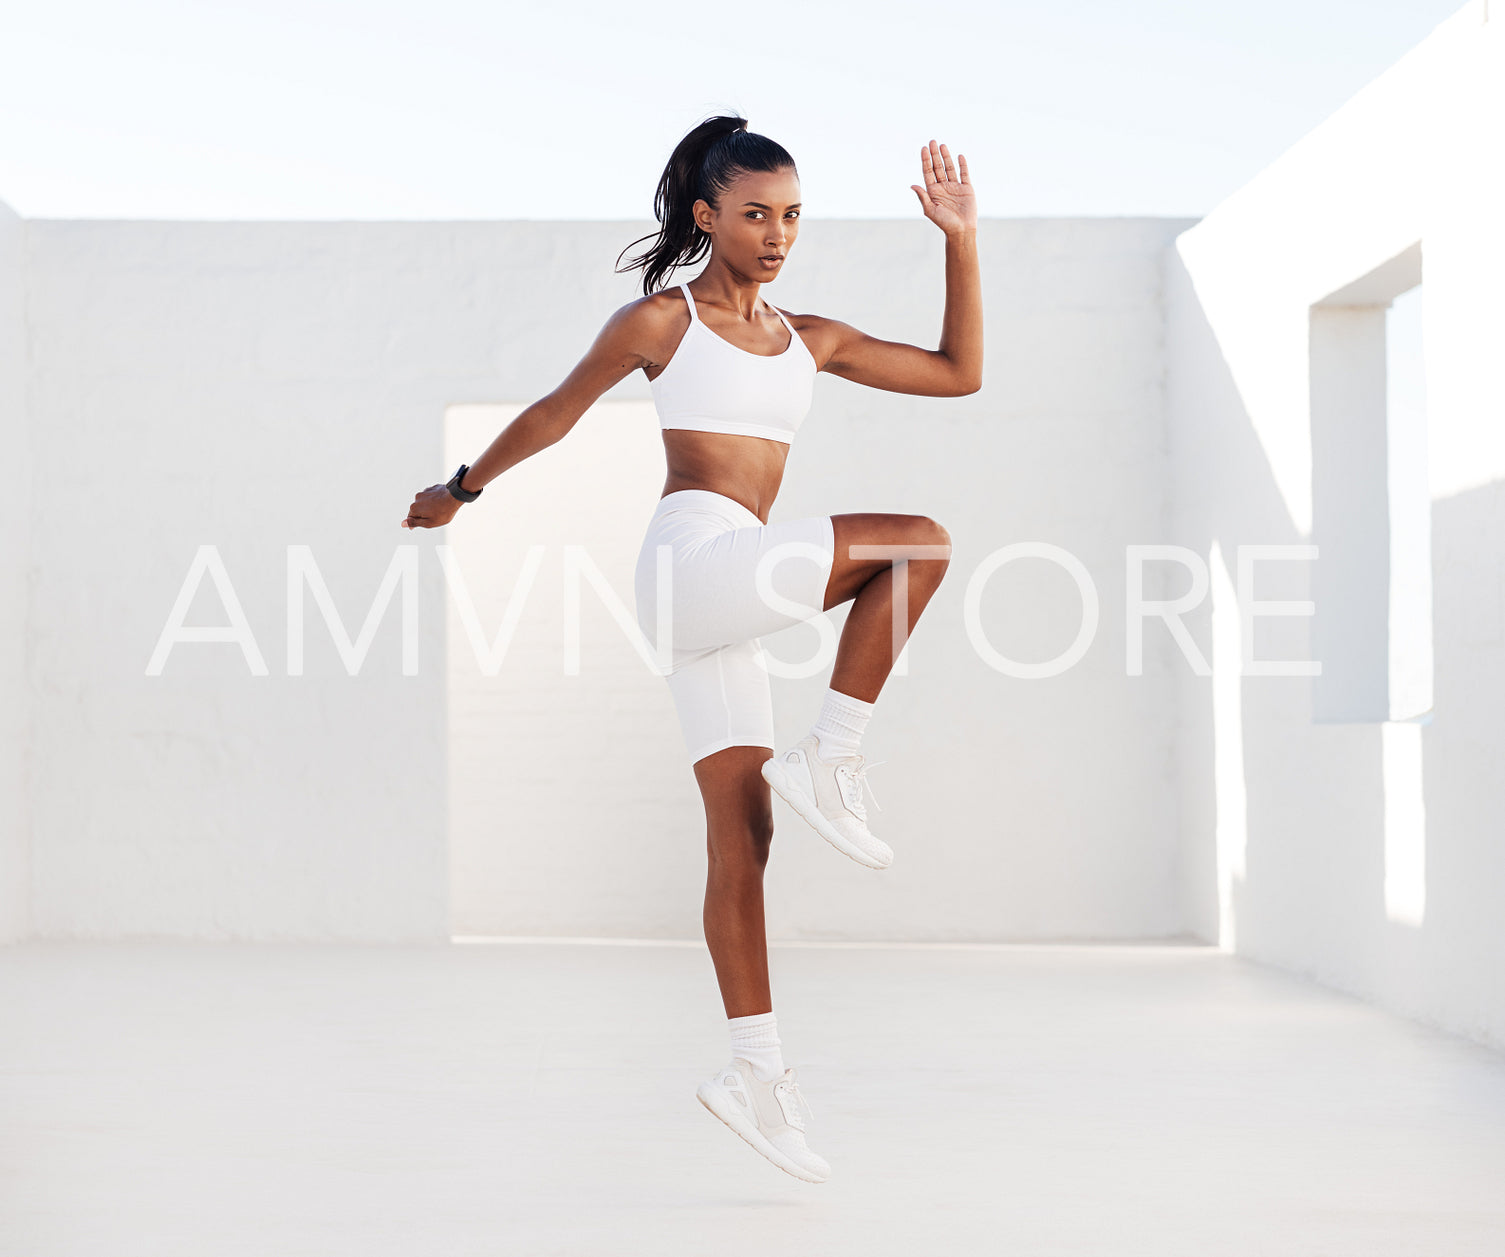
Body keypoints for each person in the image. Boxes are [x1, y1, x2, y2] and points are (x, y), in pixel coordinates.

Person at [402, 115, 981, 1183]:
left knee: (743, 834)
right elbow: (553, 413)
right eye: (754, 214)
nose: (775, 234)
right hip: (691, 564)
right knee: (919, 544)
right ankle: (832, 752)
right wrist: (462, 489)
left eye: (792, 215)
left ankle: (752, 1074)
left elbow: (957, 374)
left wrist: (957, 235)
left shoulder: (815, 338)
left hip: (727, 584)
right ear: (706, 215)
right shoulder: (660, 323)